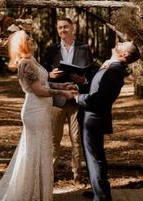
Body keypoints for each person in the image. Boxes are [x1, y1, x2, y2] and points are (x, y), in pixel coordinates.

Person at [0, 30, 77, 201]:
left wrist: (64, 86)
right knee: (34, 153)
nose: (32, 40)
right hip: (35, 112)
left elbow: (44, 82)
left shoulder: (31, 60)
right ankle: (30, 193)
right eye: (28, 38)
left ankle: (38, 191)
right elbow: (39, 90)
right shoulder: (25, 64)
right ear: (21, 44)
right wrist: (63, 94)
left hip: (42, 112)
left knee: (41, 151)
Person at [75, 41, 140, 201]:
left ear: (124, 55)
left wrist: (76, 97)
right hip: (90, 117)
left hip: (93, 119)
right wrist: (82, 83)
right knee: (94, 157)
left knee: (94, 159)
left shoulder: (114, 71)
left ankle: (102, 197)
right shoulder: (110, 67)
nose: (117, 42)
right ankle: (99, 191)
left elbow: (100, 99)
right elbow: (95, 88)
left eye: (122, 44)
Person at [42, 17, 94, 183]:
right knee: (53, 140)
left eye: (65, 27)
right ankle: (51, 172)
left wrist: (83, 81)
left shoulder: (84, 48)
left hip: (76, 100)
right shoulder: (51, 50)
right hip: (56, 100)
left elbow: (91, 73)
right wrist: (49, 75)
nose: (62, 30)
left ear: (72, 28)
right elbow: (41, 74)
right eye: (59, 28)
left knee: (76, 139)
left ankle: (77, 173)